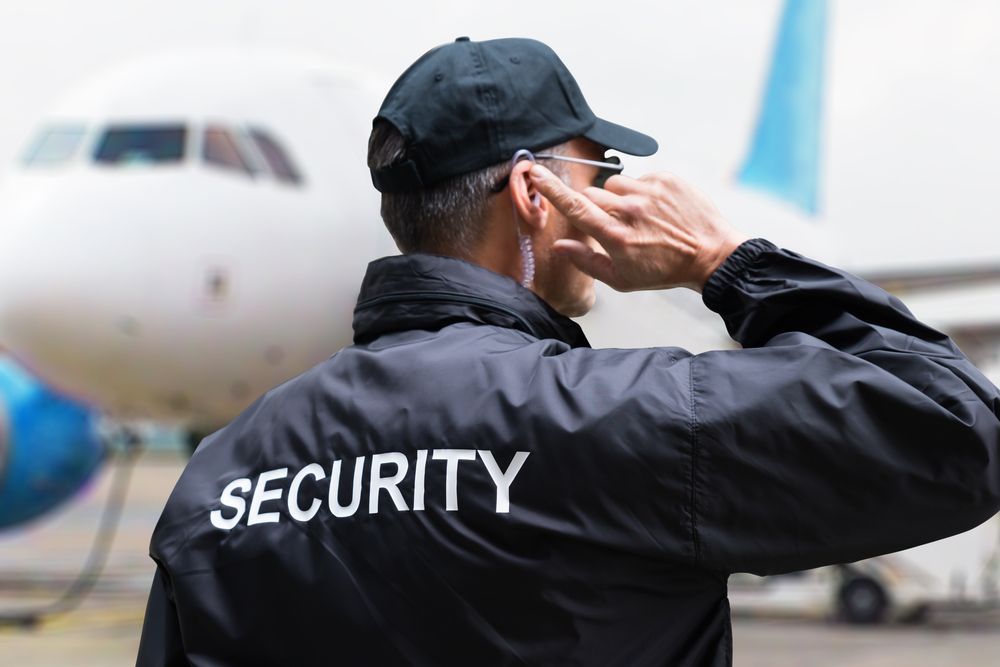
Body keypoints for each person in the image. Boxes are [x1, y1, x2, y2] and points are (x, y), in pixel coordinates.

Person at [136, 37, 1000, 666]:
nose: (615, 194)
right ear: (534, 193)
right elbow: (957, 429)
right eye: (602, 172)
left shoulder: (220, 474)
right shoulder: (623, 417)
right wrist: (726, 263)